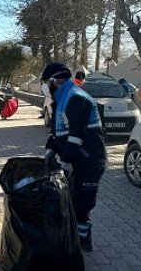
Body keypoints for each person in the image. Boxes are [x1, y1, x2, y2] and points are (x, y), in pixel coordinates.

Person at [42, 62, 107, 252]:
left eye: (46, 82)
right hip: (77, 160)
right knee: (71, 200)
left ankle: (82, 244)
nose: (45, 86)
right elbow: (58, 132)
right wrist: (50, 149)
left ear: (55, 81)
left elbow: (75, 136)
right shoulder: (61, 98)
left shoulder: (77, 98)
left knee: (82, 205)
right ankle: (73, 240)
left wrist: (67, 161)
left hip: (89, 162)